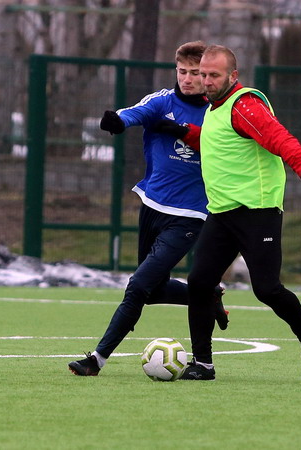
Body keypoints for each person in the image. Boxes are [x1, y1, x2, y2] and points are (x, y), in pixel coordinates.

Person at [175, 45, 301, 381]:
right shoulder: (214, 108)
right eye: (203, 74)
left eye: (214, 75)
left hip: (257, 212)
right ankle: (202, 364)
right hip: (222, 213)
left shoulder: (244, 105)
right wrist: (182, 132)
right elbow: (219, 143)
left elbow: (280, 138)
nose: (206, 81)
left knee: (266, 289)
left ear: (233, 76)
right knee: (200, 282)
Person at [68, 41, 229, 377]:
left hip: (190, 215)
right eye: (182, 71)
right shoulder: (162, 101)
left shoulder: (217, 112)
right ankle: (207, 296)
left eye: (195, 73)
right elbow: (133, 113)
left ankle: (96, 359)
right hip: (152, 206)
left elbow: (222, 145)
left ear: (207, 75)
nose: (188, 79)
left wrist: (186, 132)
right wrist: (117, 121)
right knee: (153, 290)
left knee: (138, 285)